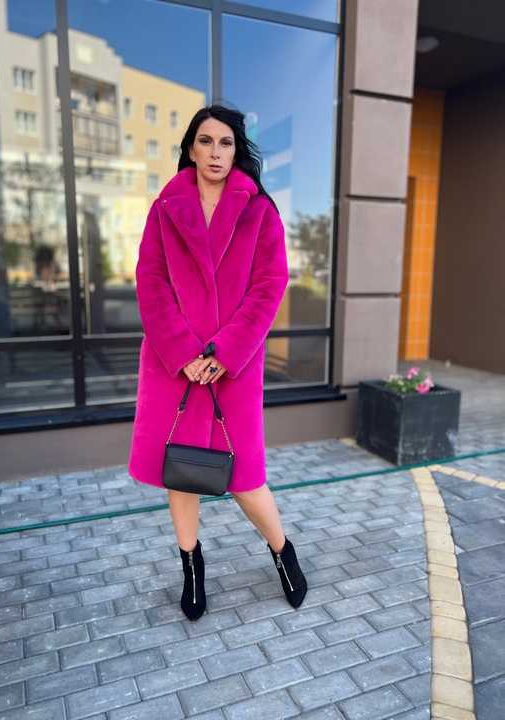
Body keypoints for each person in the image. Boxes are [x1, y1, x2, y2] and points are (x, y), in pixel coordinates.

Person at [129, 105, 307, 620]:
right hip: (174, 366)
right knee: (180, 470)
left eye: (225, 143)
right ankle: (191, 566)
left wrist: (225, 352)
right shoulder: (165, 208)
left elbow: (269, 285)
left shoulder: (260, 210)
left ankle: (282, 552)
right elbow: (151, 282)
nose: (215, 152)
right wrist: (184, 352)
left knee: (246, 475)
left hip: (235, 365)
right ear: (191, 148)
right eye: (205, 141)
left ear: (236, 150)